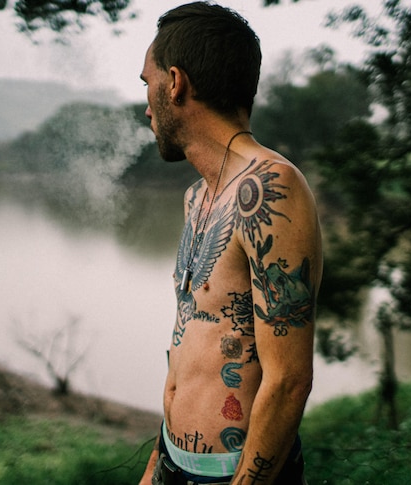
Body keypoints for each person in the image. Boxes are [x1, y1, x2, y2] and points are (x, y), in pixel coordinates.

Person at [138, 2, 322, 484]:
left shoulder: (270, 188)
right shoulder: (197, 197)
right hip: (175, 461)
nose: (145, 105)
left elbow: (288, 381)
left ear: (175, 84)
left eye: (147, 84)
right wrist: (157, 465)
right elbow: (192, 341)